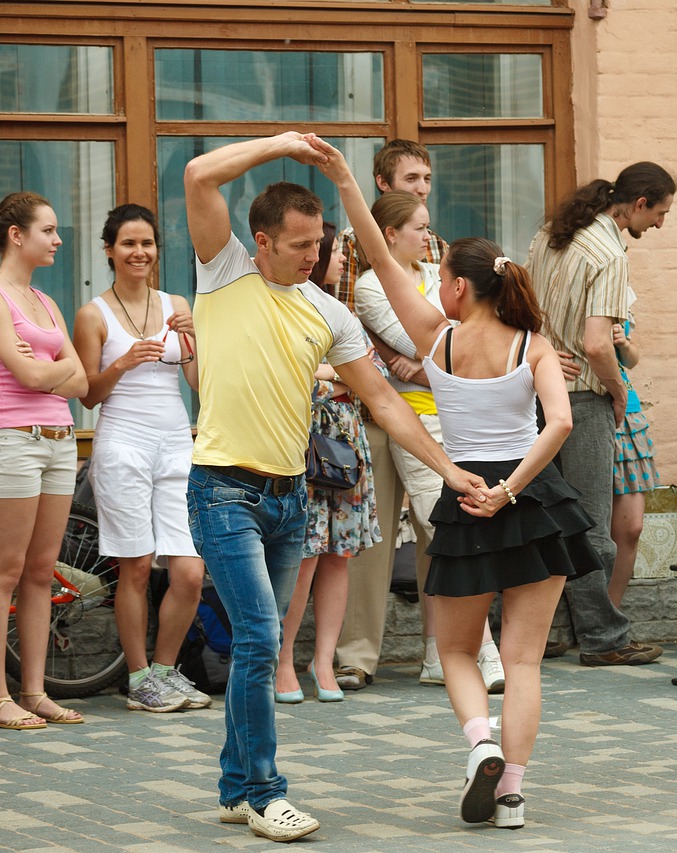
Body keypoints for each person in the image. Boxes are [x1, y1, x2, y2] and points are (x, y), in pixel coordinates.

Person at [182, 131, 487, 842]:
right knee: (261, 637)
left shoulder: (328, 311)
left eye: (318, 244)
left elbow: (383, 400)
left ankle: (235, 785)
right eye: (298, 245)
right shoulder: (223, 271)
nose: (312, 255)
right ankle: (265, 793)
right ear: (260, 242)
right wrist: (282, 144)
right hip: (224, 491)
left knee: (258, 644)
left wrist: (449, 470)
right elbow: (198, 174)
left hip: (291, 498)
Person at [318, 133, 597, 830]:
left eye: (440, 276)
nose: (433, 284)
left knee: (454, 650)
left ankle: (481, 747)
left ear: (460, 287)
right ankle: (513, 795)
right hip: (530, 498)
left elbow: (377, 254)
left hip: (463, 494)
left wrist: (346, 180)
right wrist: (512, 489)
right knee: (524, 662)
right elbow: (560, 423)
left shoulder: (436, 338)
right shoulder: (532, 344)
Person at [525, 162, 676, 666]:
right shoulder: (609, 253)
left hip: (532, 393)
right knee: (589, 522)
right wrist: (615, 391)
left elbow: (519, 309)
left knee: (535, 516)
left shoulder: (553, 233)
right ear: (639, 204)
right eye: (659, 213)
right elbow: (596, 344)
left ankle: (535, 632)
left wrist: (538, 347)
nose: (660, 224)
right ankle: (603, 638)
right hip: (580, 398)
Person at [354, 191, 505, 691]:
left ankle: (440, 655)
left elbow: (465, 340)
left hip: (463, 417)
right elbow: (432, 343)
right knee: (445, 527)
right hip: (417, 420)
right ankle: (484, 650)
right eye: (419, 227)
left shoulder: (437, 274)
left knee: (457, 529)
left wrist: (423, 364)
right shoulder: (371, 285)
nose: (428, 235)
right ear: (390, 234)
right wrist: (433, 357)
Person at [73, 203, 210, 714]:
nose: (139, 252)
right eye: (128, 243)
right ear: (109, 250)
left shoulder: (176, 302)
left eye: (147, 243)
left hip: (176, 441)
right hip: (122, 443)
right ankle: (138, 680)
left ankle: (165, 672)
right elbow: (88, 395)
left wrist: (193, 340)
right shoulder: (94, 314)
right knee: (133, 568)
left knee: (190, 570)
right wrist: (124, 363)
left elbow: (198, 383)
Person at [0, 191, 88, 730]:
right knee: (4, 571)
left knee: (41, 571)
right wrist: (54, 368)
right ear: (17, 236)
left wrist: (50, 371)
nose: (58, 240)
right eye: (49, 230)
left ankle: (34, 692)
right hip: (14, 440)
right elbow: (34, 376)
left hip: (60, 440)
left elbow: (81, 382)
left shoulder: (45, 301)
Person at [333, 138, 449, 690]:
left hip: (430, 409)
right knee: (369, 536)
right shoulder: (350, 246)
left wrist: (420, 367)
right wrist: (396, 358)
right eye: (410, 180)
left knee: (434, 531)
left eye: (426, 179)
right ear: (382, 184)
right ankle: (356, 655)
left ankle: (441, 650)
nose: (421, 189)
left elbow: (452, 330)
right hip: (369, 409)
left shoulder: (435, 247)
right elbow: (345, 321)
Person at [274, 223, 382, 704]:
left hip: (345, 445)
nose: (339, 259)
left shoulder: (339, 310)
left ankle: (323, 662)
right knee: (303, 557)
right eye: (333, 251)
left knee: (339, 555)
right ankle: (282, 662)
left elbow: (373, 371)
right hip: (302, 442)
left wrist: (332, 375)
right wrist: (340, 374)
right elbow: (287, 370)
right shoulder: (285, 304)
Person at [606, 303, 662, 607]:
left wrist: (624, 345)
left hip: (627, 417)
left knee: (630, 527)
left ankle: (609, 615)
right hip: (577, 407)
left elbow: (630, 360)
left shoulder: (618, 293)